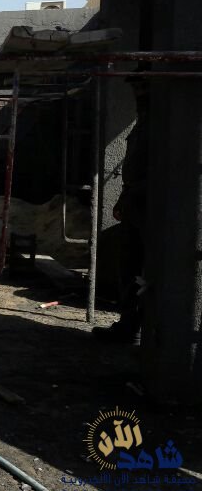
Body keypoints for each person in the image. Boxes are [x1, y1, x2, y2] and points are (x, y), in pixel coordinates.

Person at [93, 77, 149, 344]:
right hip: (134, 202)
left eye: (141, 87)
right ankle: (129, 325)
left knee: (146, 269)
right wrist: (124, 198)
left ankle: (140, 328)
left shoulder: (164, 124)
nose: (137, 95)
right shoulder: (142, 123)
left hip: (149, 206)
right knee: (129, 266)